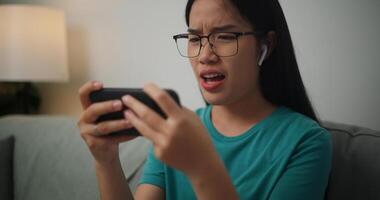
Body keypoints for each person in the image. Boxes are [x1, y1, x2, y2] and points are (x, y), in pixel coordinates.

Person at [77, 0, 332, 199]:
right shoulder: (177, 127)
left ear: (266, 44)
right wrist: (106, 161)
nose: (205, 56)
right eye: (195, 39)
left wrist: (202, 167)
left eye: (225, 36)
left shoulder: (307, 141)